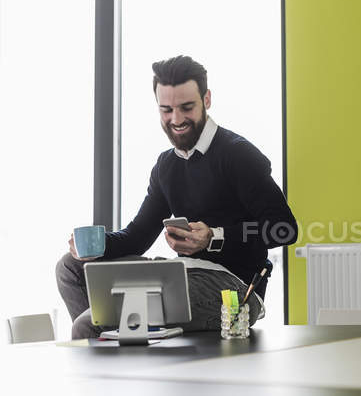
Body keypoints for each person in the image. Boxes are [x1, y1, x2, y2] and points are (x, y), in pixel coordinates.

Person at [56, 55, 297, 339]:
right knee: (70, 268)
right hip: (179, 274)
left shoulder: (237, 154)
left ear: (206, 99)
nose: (176, 119)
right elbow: (137, 237)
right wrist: (93, 246)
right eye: (166, 109)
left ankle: (104, 346)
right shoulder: (166, 166)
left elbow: (285, 229)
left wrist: (214, 237)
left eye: (186, 107)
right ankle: (112, 348)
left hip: (233, 287)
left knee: (88, 323)